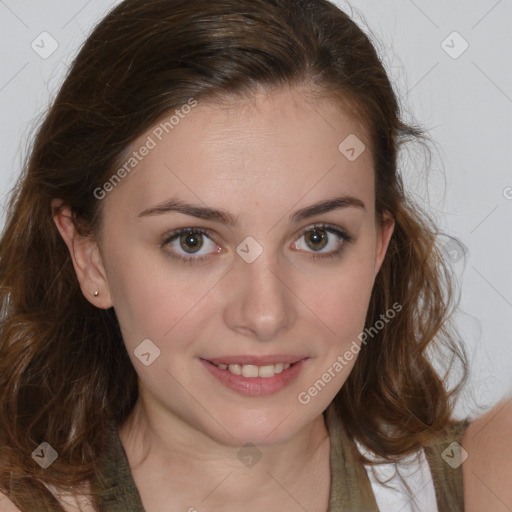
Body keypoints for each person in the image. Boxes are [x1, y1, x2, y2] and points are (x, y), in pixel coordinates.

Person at [0, 0, 469, 510]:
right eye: (192, 241)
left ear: (378, 248)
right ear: (89, 255)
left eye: (318, 237)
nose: (265, 315)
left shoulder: (479, 479)